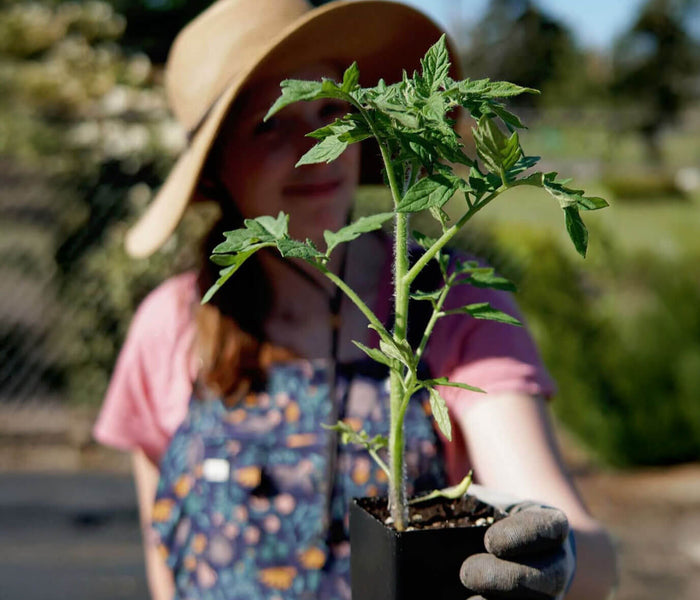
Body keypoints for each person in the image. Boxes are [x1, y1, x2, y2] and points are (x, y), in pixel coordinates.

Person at [93, 1, 617, 599]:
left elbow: (583, 544)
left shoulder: (445, 300)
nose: (315, 142)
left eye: (333, 111)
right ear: (214, 166)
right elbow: (166, 561)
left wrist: (559, 557)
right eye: (271, 122)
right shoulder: (170, 326)